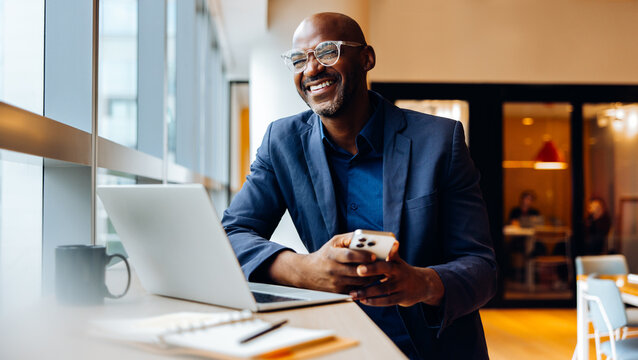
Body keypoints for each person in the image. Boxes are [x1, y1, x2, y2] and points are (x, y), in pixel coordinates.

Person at [222, 12, 497, 359]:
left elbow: (482, 268)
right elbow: (231, 235)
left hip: (433, 347)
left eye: (327, 52)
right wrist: (306, 270)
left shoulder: (440, 141)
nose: (311, 70)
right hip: (338, 344)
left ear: (367, 58)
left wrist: (421, 283)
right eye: (298, 59)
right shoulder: (282, 142)